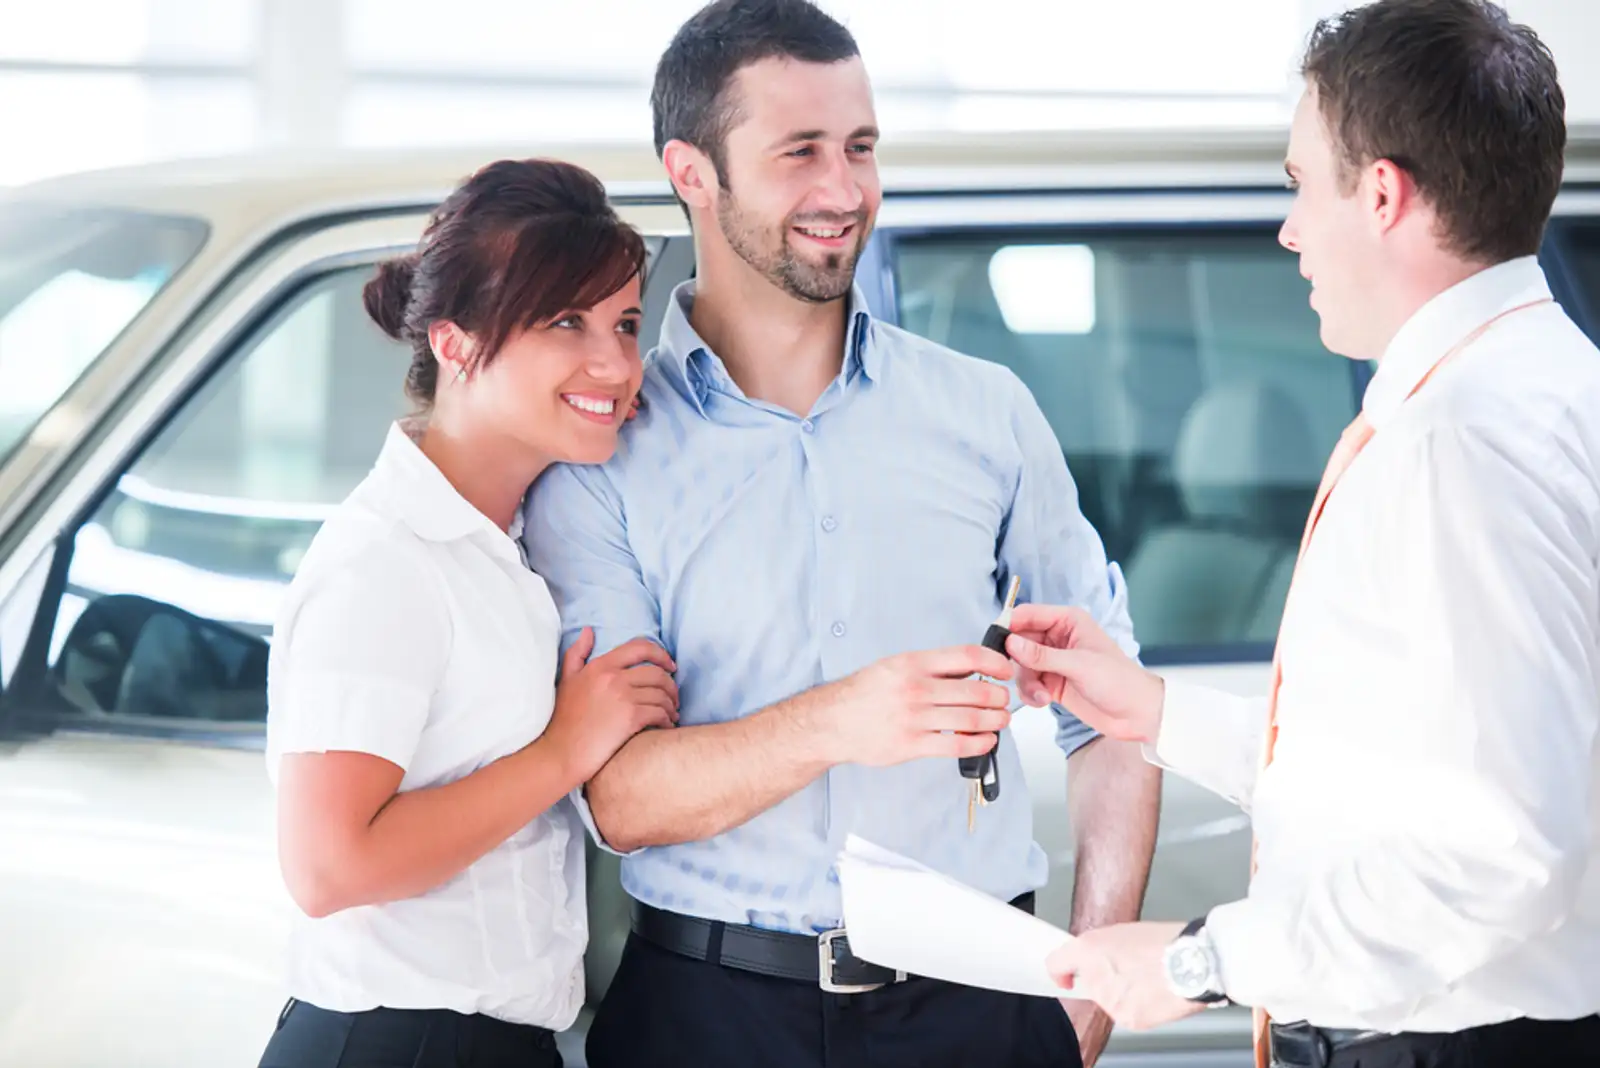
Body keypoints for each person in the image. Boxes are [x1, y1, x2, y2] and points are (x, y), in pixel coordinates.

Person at [519, 2, 1161, 1066]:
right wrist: (841, 719)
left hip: (979, 1008)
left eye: (859, 147)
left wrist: (1083, 997)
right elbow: (621, 798)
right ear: (693, 172)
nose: (842, 190)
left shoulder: (985, 413)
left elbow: (1115, 715)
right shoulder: (599, 454)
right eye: (799, 152)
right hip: (707, 1017)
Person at [1001, 3, 1600, 1067]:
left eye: (1296, 183)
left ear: (1380, 194)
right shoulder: (1543, 392)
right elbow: (1402, 777)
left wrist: (1196, 961)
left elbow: (1502, 849)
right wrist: (1154, 714)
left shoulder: (1458, 441)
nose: (1286, 229)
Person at [257, 158, 680, 1068]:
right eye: (567, 322)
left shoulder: (517, 542)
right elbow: (329, 869)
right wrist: (565, 750)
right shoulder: (387, 560)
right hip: (395, 1045)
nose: (615, 363)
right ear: (453, 343)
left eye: (626, 322)